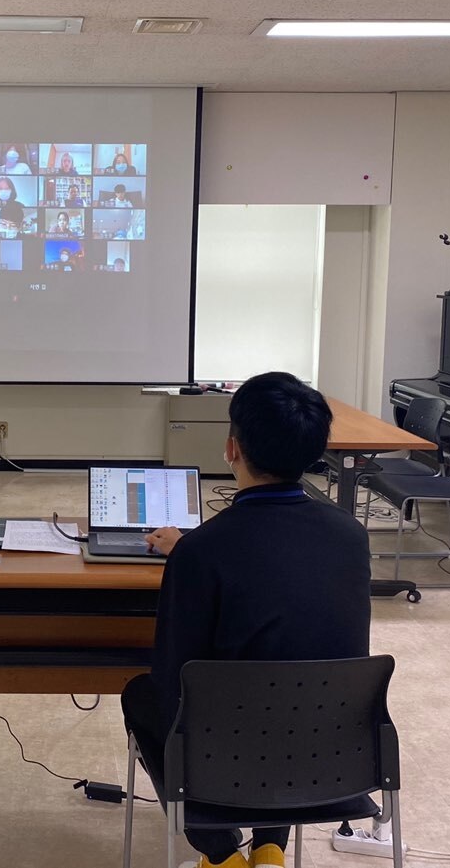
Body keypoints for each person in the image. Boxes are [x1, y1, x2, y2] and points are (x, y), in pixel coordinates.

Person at [121, 372, 371, 868]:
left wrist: (187, 551)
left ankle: (221, 856)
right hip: (330, 756)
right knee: (292, 677)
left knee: (143, 695)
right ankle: (270, 847)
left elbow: (172, 677)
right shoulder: (351, 535)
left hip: (222, 764)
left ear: (232, 448)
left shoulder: (202, 551)